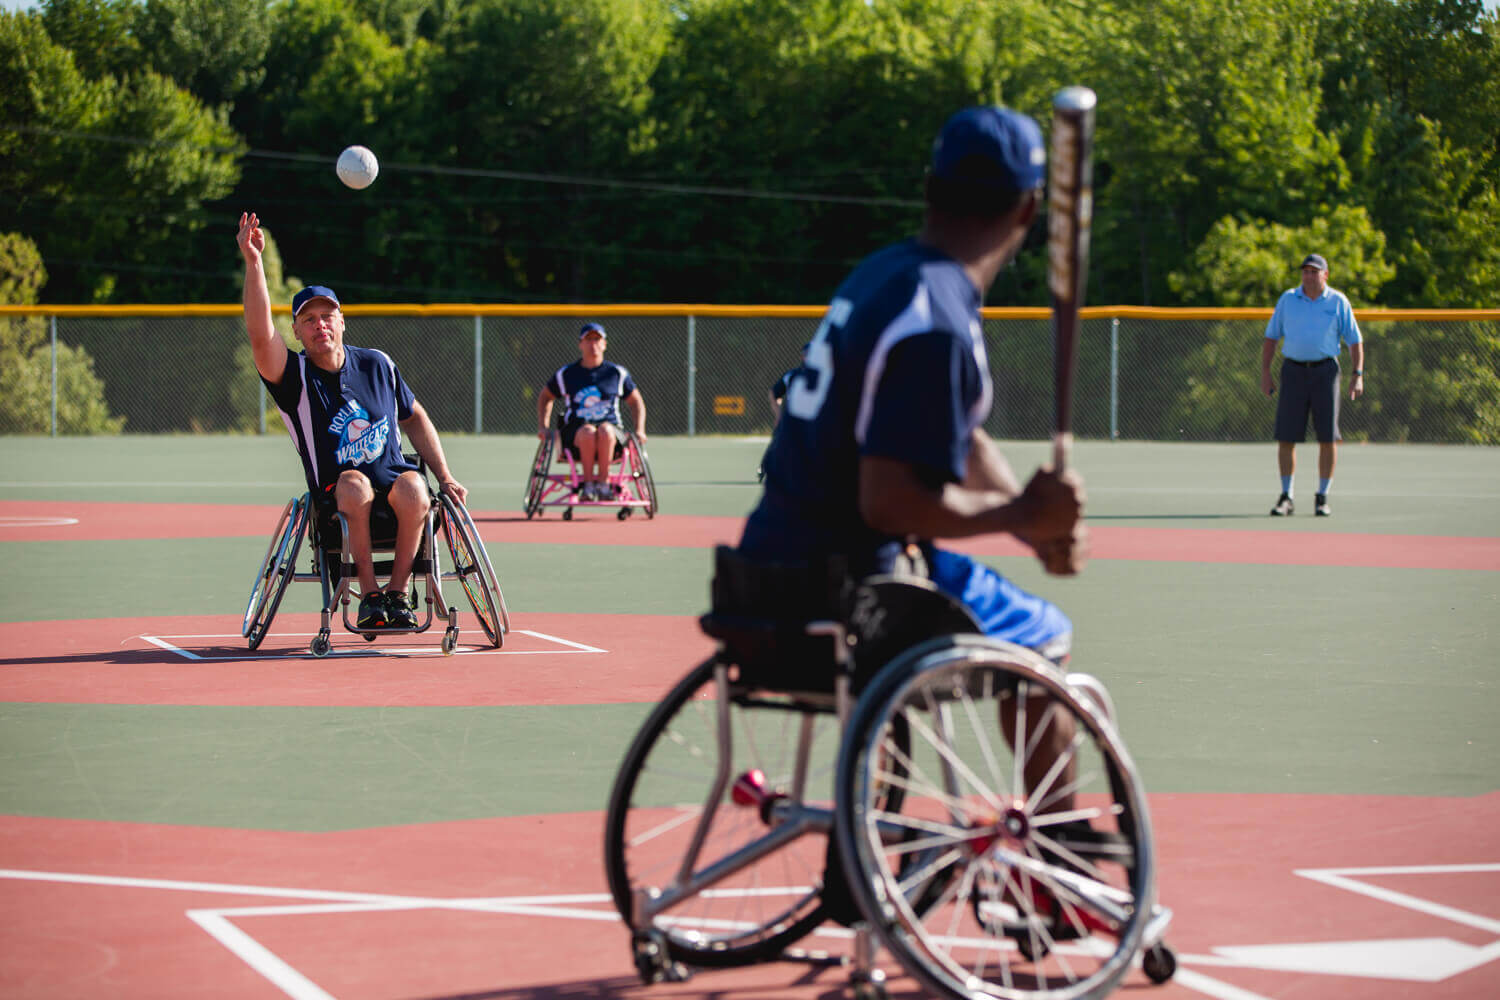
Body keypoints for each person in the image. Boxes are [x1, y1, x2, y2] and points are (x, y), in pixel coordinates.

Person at [741, 106, 1087, 805]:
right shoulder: (938, 316)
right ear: (1028, 209)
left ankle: (873, 832)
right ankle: (1055, 862)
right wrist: (1023, 509)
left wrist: (1031, 526)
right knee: (1048, 640)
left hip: (760, 573)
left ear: (928, 188)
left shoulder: (887, 275)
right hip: (854, 593)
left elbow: (962, 437)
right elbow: (890, 501)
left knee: (954, 592)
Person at [237, 211, 468, 631]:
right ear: (297, 332)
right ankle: (368, 594)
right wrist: (254, 263)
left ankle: (397, 594)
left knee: (417, 485)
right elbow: (258, 334)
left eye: (327, 316)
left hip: (396, 491)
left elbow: (414, 417)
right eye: (309, 320)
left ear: (342, 321)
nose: (320, 325)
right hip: (337, 500)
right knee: (354, 482)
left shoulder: (377, 363)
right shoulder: (296, 378)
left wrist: (446, 476)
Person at [1260, 252, 1365, 517]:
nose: (1309, 275)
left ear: (1325, 275)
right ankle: (1287, 497)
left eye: (1314, 271)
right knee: (1286, 436)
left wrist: (1358, 373)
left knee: (1327, 437)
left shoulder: (1337, 301)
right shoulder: (1288, 299)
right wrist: (1265, 371)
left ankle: (1322, 496)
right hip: (1293, 371)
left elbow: (1354, 339)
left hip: (1325, 372)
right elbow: (1272, 336)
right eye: (1305, 271)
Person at [536, 322, 647, 500]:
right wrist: (543, 426)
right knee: (588, 431)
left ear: (604, 344)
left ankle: (603, 485)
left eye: (597, 339)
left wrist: (640, 430)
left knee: (605, 430)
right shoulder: (567, 374)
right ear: (580, 344)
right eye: (588, 340)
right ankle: (588, 486)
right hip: (576, 433)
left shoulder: (616, 373)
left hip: (611, 432)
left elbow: (636, 402)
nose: (593, 344)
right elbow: (545, 397)